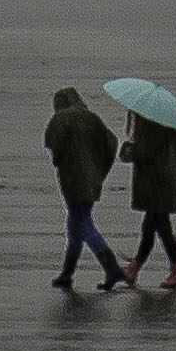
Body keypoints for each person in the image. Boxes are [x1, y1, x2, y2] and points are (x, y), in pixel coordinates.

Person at [111, 79, 176, 290]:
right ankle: (135, 269)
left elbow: (143, 152)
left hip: (157, 182)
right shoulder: (172, 126)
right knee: (151, 226)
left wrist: (128, 147)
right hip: (169, 181)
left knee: (160, 226)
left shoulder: (150, 124)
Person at [44, 85, 129, 290]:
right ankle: (67, 272)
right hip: (92, 179)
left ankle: (111, 267)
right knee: (75, 225)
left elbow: (51, 143)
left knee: (82, 223)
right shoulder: (92, 118)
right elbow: (112, 142)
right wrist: (101, 169)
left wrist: (61, 158)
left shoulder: (60, 119)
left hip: (73, 179)